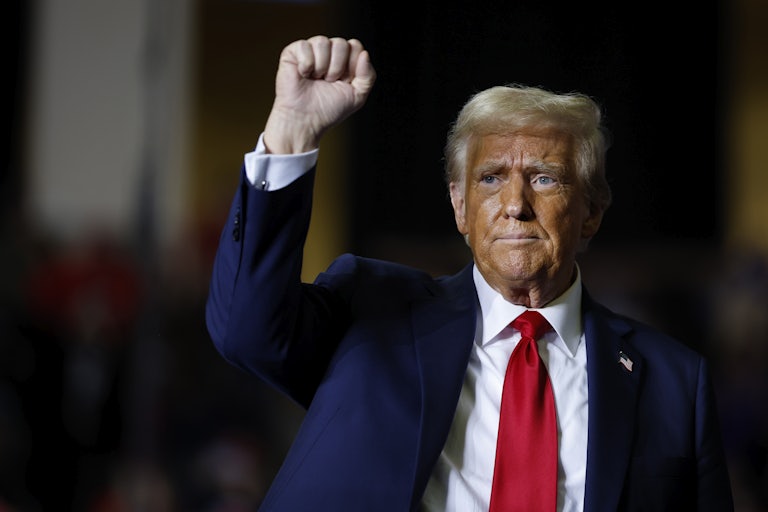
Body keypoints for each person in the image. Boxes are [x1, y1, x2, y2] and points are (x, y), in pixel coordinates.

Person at [205, 35, 734, 511]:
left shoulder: (675, 384)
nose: (515, 205)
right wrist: (292, 131)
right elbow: (246, 332)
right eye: (490, 178)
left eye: (545, 179)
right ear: (459, 206)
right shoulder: (372, 309)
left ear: (592, 211)